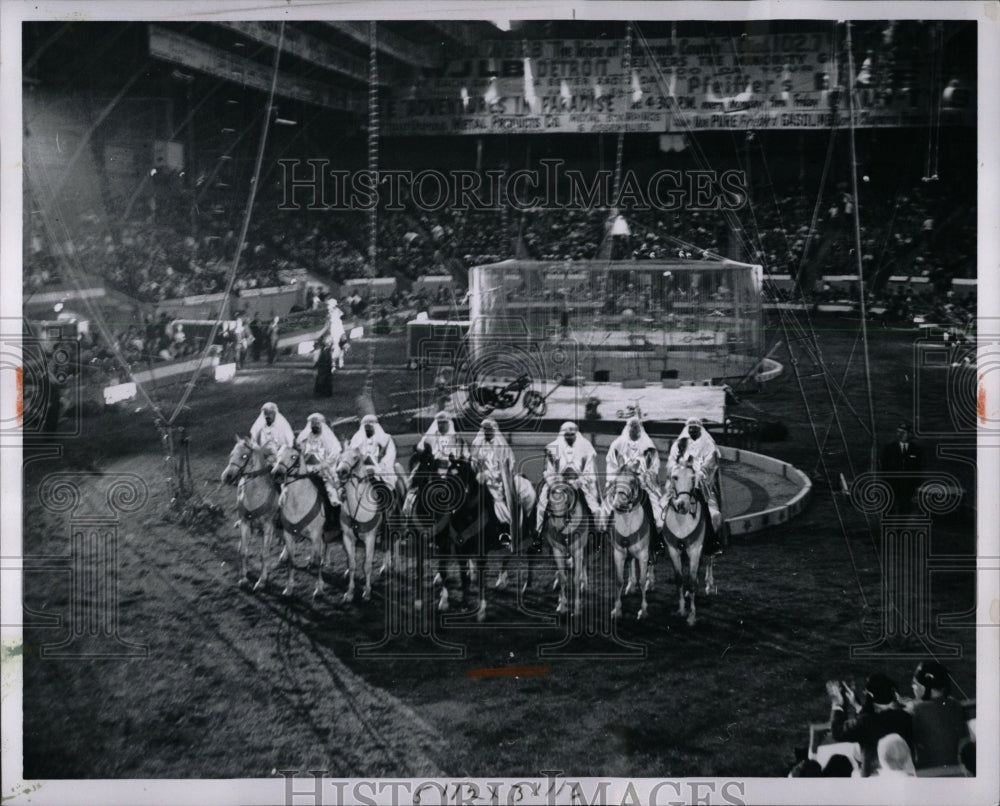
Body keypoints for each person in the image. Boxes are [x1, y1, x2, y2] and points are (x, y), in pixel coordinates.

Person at [827, 673, 914, 777]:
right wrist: (858, 707)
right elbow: (877, 722)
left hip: (874, 779)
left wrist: (838, 703)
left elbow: (837, 732)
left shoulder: (866, 722)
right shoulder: (906, 717)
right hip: (906, 774)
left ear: (870, 696)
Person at [470, 417, 535, 548]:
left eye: (489, 430)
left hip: (500, 478)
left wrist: (499, 475)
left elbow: (509, 463)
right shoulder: (477, 445)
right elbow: (474, 463)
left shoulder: (501, 445)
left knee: (519, 491)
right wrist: (479, 472)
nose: (487, 432)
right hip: (482, 479)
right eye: (485, 429)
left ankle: (512, 528)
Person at [665, 417, 725, 553]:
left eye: (695, 429)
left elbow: (711, 462)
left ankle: (711, 542)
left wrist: (701, 473)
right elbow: (672, 460)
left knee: (706, 506)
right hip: (682, 477)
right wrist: (677, 470)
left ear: (700, 429)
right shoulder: (680, 443)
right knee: (664, 504)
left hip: (700, 480)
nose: (692, 431)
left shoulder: (708, 444)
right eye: (690, 429)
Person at [535, 421, 602, 535]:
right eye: (567, 434)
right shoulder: (552, 448)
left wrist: (579, 482)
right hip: (558, 484)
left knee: (595, 509)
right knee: (541, 507)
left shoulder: (586, 447)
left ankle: (597, 535)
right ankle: (538, 535)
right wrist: (556, 483)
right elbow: (548, 472)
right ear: (562, 434)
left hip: (579, 484)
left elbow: (589, 471)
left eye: (572, 434)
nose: (570, 436)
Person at [901, 660, 969, 770]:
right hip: (956, 771)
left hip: (928, 775)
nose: (912, 687)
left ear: (923, 687)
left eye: (915, 684)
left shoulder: (915, 710)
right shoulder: (956, 706)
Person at [606, 416, 663, 531]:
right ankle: (605, 538)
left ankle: (656, 538)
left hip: (642, 483)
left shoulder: (649, 446)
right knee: (606, 510)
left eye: (636, 428)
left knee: (657, 513)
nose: (634, 431)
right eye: (632, 428)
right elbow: (611, 465)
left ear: (640, 430)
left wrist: (644, 478)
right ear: (628, 429)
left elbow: (653, 468)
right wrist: (618, 477)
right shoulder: (617, 444)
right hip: (622, 482)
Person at [295, 413, 342, 516]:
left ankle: (332, 516)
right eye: (313, 424)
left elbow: (334, 455)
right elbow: (301, 454)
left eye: (317, 424)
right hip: (306, 469)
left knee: (331, 492)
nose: (315, 426)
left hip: (324, 470)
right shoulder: (305, 439)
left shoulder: (328, 439)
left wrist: (320, 466)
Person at [347, 413, 399, 499]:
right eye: (365, 426)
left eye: (371, 425)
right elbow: (352, 455)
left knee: (387, 484)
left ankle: (389, 505)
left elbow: (390, 455)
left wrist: (380, 466)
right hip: (361, 470)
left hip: (381, 469)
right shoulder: (356, 441)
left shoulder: (387, 439)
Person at [879, 421, 924, 514]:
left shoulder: (916, 450)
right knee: (888, 509)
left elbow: (919, 468)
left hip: (907, 485)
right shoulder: (890, 448)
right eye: (898, 432)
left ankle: (901, 528)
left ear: (909, 434)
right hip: (892, 484)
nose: (899, 435)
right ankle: (887, 528)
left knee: (905, 509)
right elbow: (884, 467)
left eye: (903, 433)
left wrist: (916, 485)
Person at [248, 401, 295, 468]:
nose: (268, 416)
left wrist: (277, 451)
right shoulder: (259, 428)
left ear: (275, 414)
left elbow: (289, 443)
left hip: (279, 456)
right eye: (266, 414)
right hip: (262, 456)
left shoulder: (282, 426)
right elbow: (253, 443)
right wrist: (260, 450)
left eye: (270, 413)